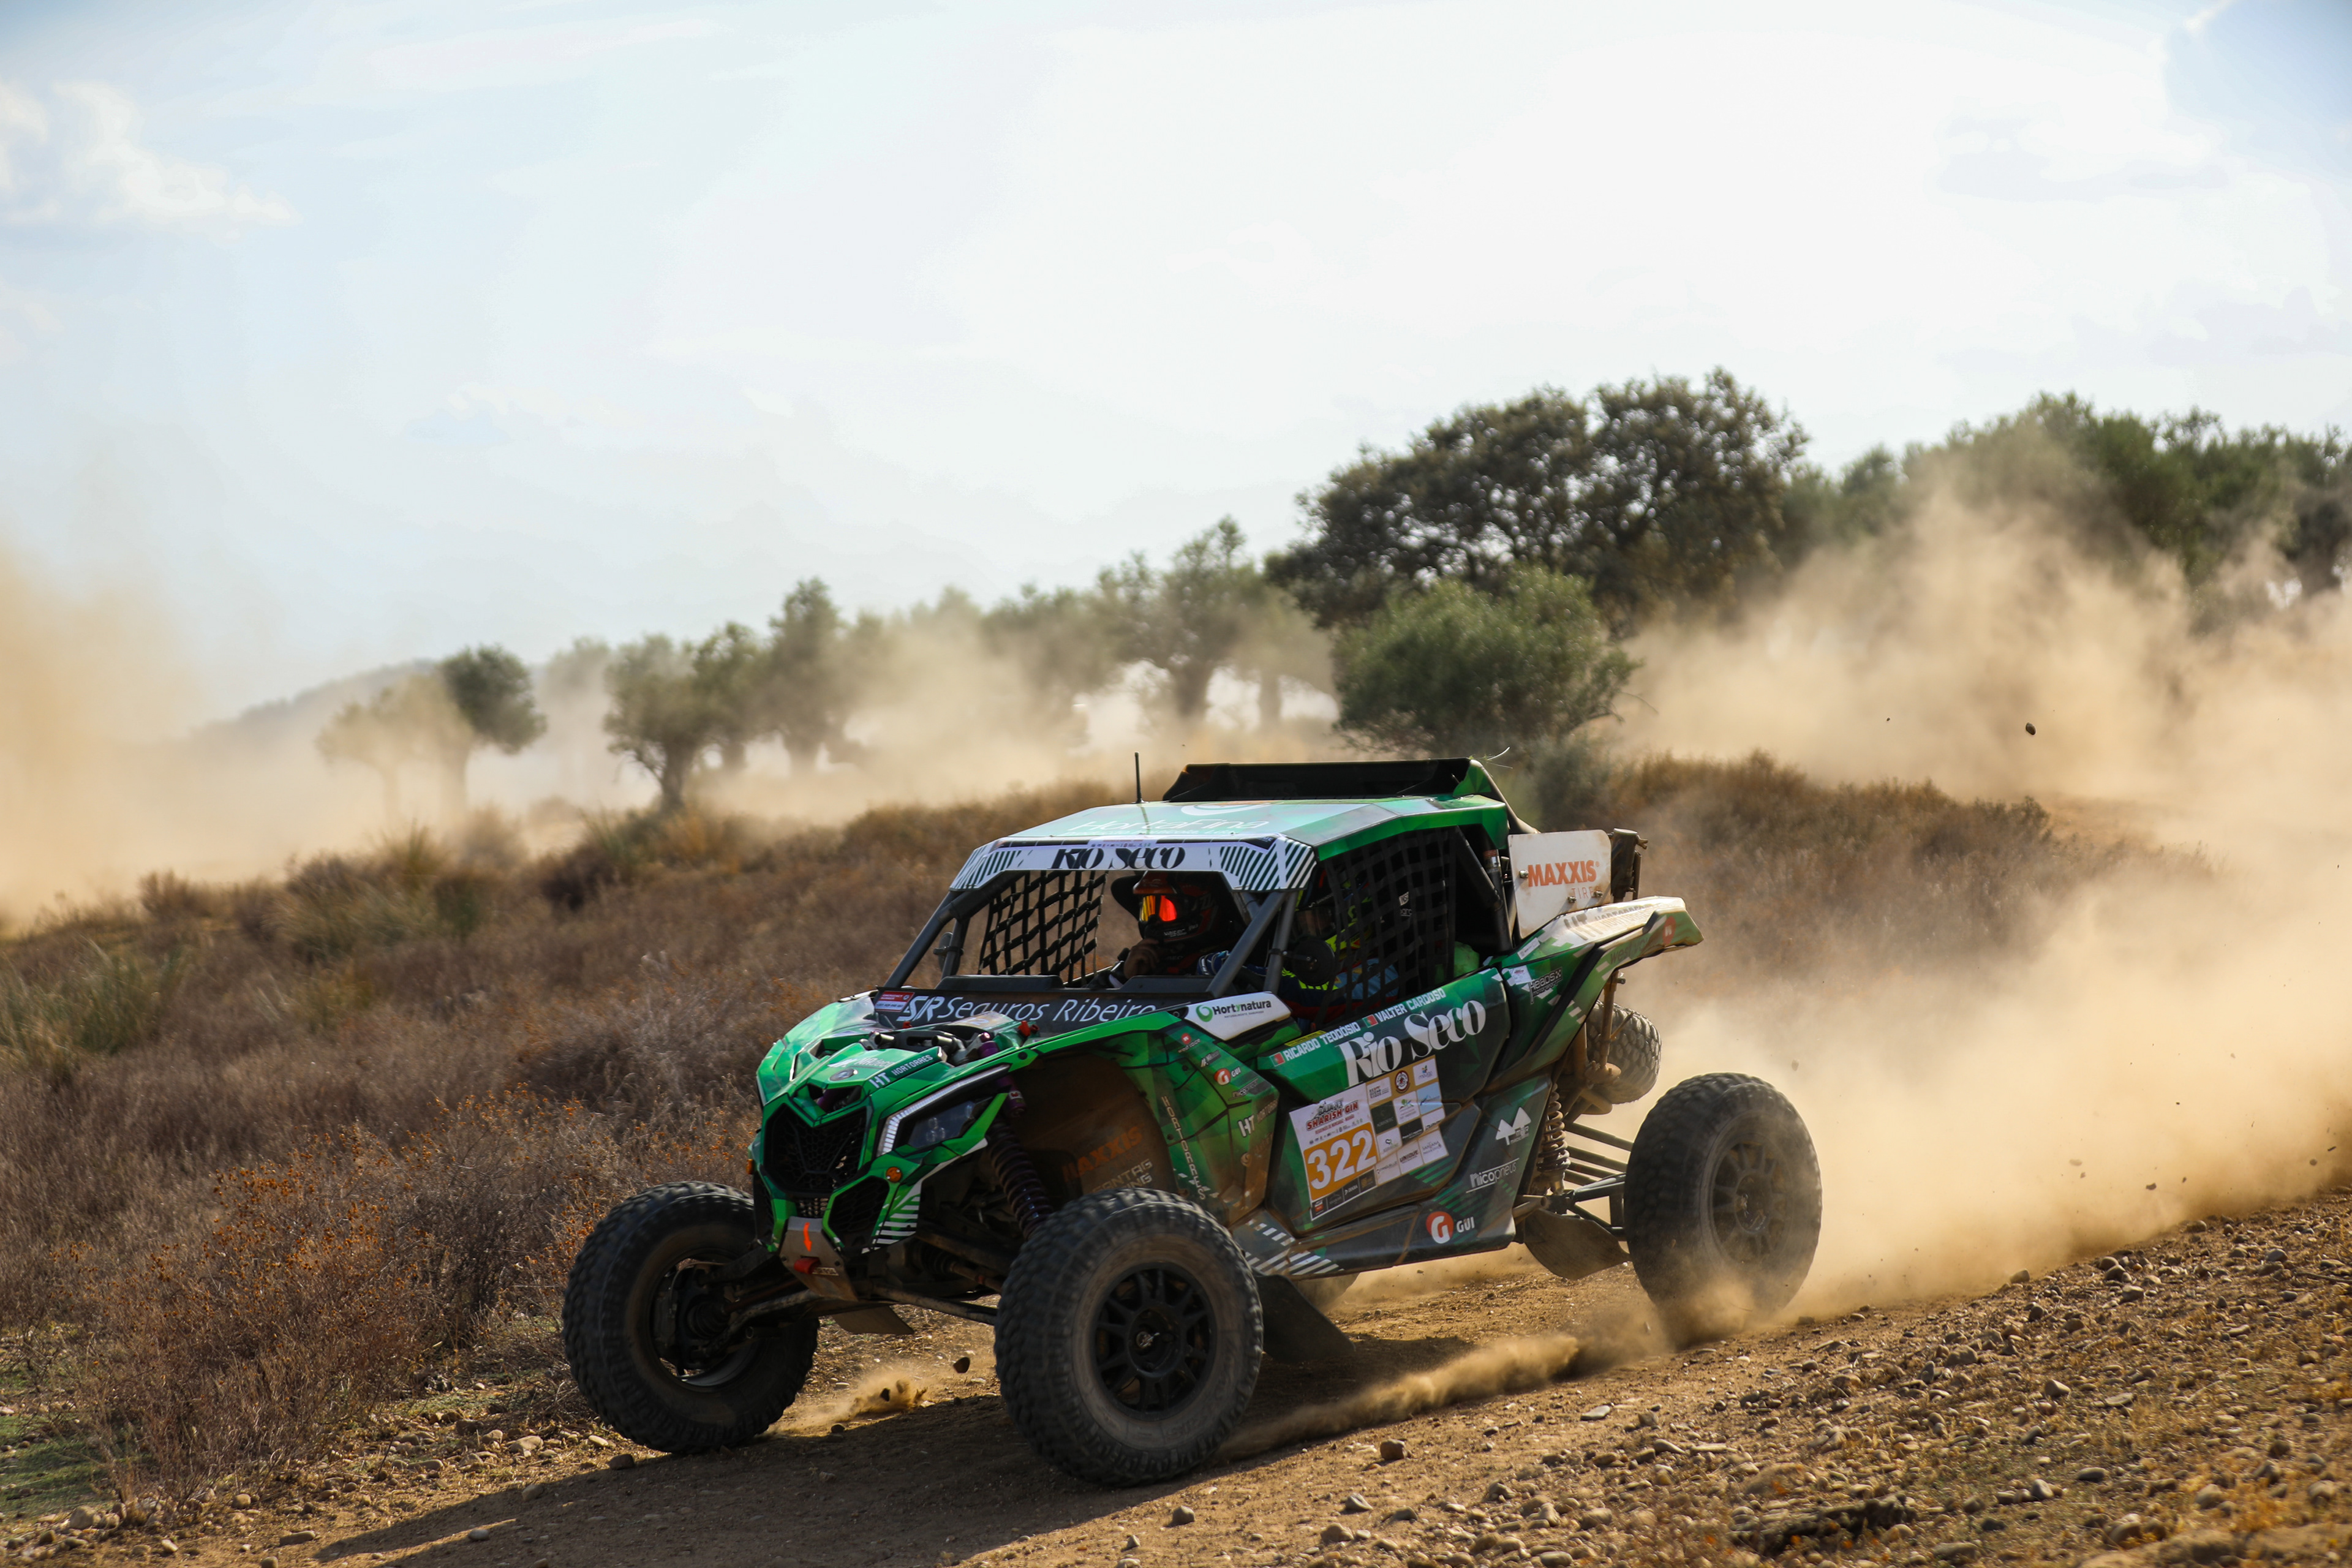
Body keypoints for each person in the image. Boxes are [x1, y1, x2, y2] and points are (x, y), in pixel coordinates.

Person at [1111, 871, 1245, 979]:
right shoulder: (1146, 958)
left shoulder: (1241, 956)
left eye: (1166, 910)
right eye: (1148, 909)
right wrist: (1127, 977)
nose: (1154, 920)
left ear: (1202, 906)